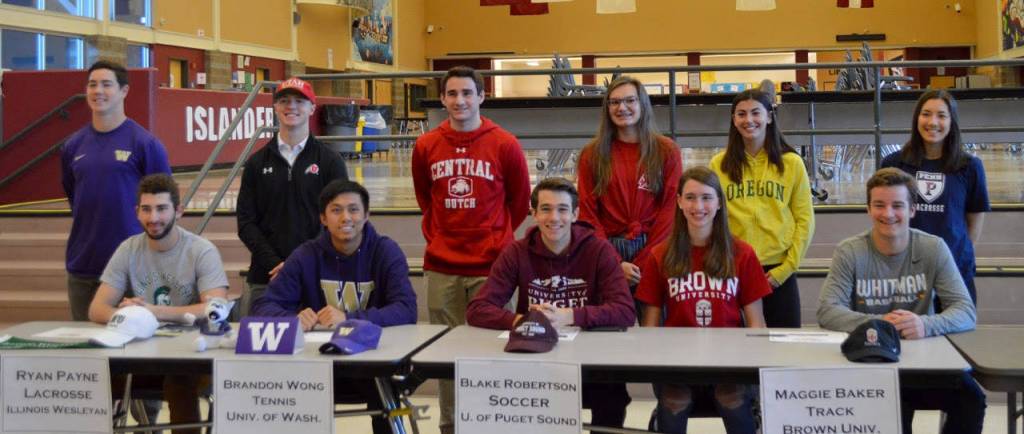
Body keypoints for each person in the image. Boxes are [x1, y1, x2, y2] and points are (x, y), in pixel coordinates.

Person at [817, 167, 985, 434]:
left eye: (898, 205)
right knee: (894, 410)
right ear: (868, 210)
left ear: (912, 210)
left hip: (926, 362)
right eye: (879, 205)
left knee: (972, 398)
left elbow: (965, 311)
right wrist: (879, 324)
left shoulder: (934, 248)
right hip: (874, 363)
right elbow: (827, 310)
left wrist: (925, 325)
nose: (888, 214)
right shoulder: (849, 251)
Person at [411, 65, 530, 434]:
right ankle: (451, 424)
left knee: (491, 348)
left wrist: (495, 237)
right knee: (447, 353)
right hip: (442, 263)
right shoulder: (426, 145)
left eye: (467, 93)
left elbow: (519, 199)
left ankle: (493, 424)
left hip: (491, 264)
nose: (459, 101)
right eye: (452, 94)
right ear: (443, 98)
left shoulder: (505, 143)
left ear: (481, 96)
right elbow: (424, 197)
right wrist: (441, 233)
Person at [466, 177, 636, 433]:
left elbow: (624, 311)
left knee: (612, 396)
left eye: (562, 209)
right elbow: (477, 309)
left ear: (576, 214)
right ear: (533, 213)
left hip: (591, 357)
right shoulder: (516, 252)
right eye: (545, 209)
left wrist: (570, 315)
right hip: (536, 356)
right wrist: (524, 321)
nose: (554, 217)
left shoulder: (599, 250)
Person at [252, 179, 416, 434]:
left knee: (382, 392)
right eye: (336, 210)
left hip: (373, 364)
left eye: (353, 209)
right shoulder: (306, 254)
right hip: (317, 365)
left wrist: (350, 318)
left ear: (367, 214)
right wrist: (292, 318)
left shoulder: (386, 251)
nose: (346, 217)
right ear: (323, 218)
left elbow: (406, 309)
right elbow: (263, 305)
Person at [88, 174, 228, 434]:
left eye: (162, 209)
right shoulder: (128, 249)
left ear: (179, 211)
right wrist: (128, 314)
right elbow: (97, 309)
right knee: (97, 375)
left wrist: (152, 313)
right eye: (147, 209)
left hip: (191, 355)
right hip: (142, 352)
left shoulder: (201, 250)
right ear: (137, 212)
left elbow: (215, 308)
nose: (154, 218)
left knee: (178, 382)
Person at [636, 166, 770, 434]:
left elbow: (757, 324)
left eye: (707, 197)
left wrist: (754, 371)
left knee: (731, 397)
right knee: (674, 402)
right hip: (678, 364)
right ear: (679, 203)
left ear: (719, 202)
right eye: (691, 197)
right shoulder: (659, 255)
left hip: (729, 363)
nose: (699, 206)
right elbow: (650, 329)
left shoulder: (742, 253)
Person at [62, 60, 171, 321]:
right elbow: (74, 197)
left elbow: (165, 207)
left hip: (134, 267)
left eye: (106, 84)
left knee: (133, 348)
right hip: (84, 265)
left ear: (124, 91)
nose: (98, 91)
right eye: (92, 84)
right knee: (85, 350)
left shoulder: (146, 144)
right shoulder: (72, 146)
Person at [237, 77, 348, 317]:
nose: (292, 107)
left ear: (312, 107)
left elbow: (339, 219)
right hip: (266, 277)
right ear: (275, 107)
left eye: (300, 101)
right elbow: (246, 223)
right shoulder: (256, 163)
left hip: (318, 276)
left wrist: (301, 263)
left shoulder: (330, 162)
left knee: (319, 350)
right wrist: (275, 264)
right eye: (284, 100)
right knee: (262, 351)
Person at [709, 89, 814, 328]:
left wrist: (785, 270)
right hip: (733, 268)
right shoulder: (719, 164)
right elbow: (712, 220)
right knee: (734, 350)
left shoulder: (792, 163)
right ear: (734, 120)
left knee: (783, 350)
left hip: (777, 271)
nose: (749, 120)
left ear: (769, 116)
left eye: (756, 113)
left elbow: (805, 220)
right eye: (741, 114)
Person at [576, 76, 682, 309]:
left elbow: (670, 210)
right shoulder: (592, 154)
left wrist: (646, 260)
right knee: (607, 331)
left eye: (630, 100)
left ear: (643, 104)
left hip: (655, 248)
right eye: (614, 102)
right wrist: (613, 263)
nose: (622, 107)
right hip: (606, 248)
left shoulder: (667, 151)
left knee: (656, 330)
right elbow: (588, 214)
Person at [880, 90, 989, 306]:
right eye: (926, 114)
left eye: (941, 115)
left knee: (956, 337)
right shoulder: (894, 164)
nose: (933, 122)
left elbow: (973, 222)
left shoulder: (970, 167)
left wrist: (954, 259)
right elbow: (884, 216)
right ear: (916, 118)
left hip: (954, 272)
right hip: (906, 274)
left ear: (952, 121)